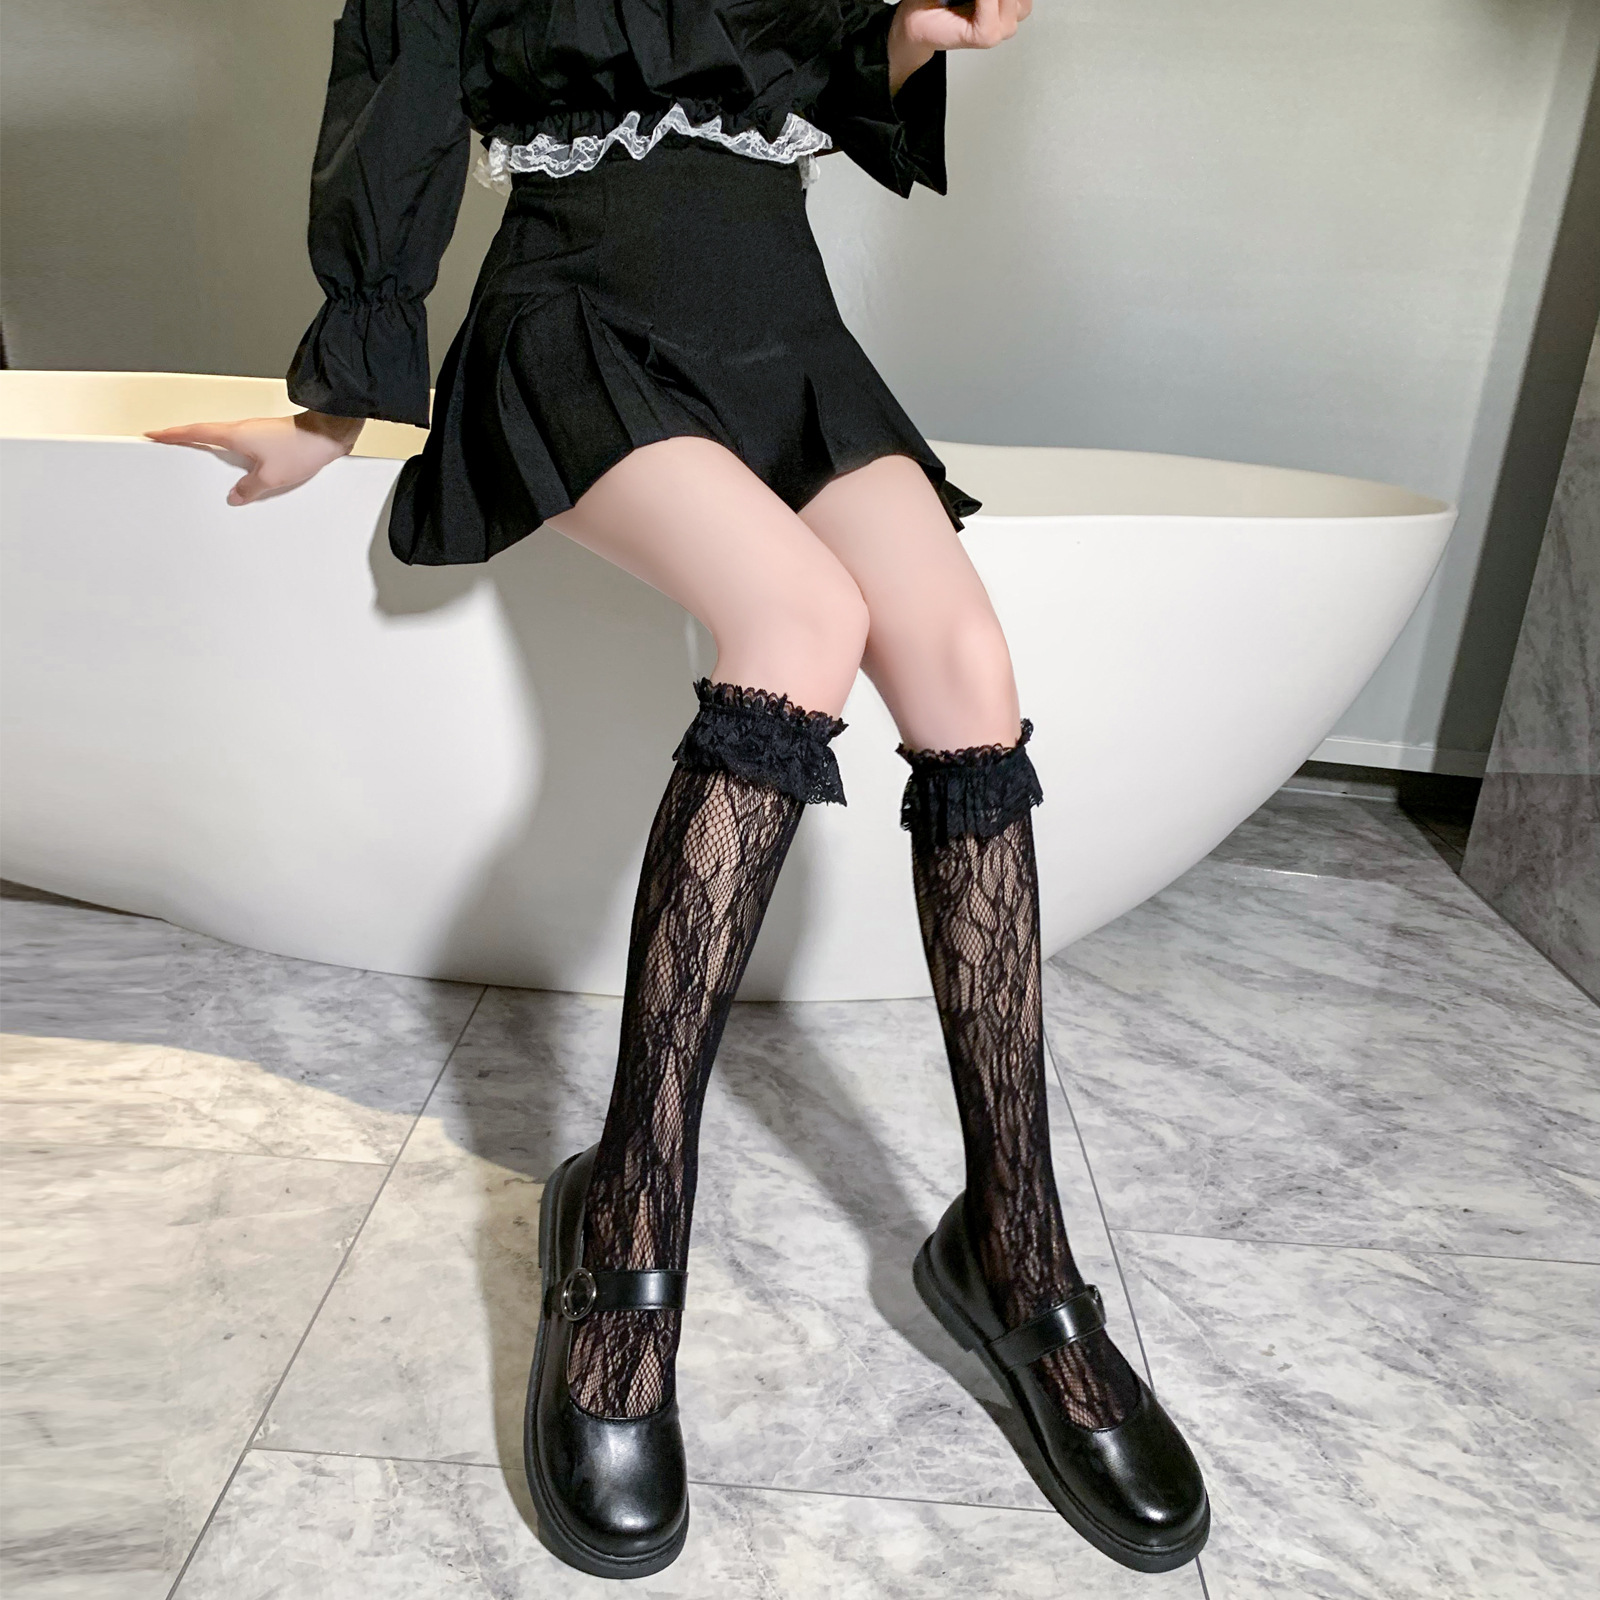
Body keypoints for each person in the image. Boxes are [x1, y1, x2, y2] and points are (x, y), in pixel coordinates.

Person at [149, 0, 1207, 1580]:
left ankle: (1015, 1250)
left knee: (968, 669)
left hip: (785, 323)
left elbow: (823, 82)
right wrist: (337, 402)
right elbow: (398, 95)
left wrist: (917, 33)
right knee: (801, 623)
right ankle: (629, 1227)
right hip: (576, 312)